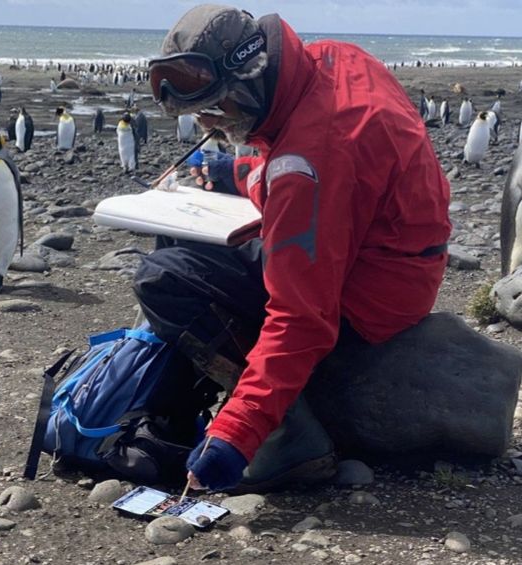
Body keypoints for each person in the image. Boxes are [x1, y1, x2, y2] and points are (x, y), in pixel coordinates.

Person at [135, 4, 451, 492]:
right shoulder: (334, 59)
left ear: (248, 82)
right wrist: (235, 173)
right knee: (183, 247)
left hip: (369, 297)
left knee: (164, 278)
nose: (208, 125)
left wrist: (237, 437)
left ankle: (289, 434)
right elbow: (327, 177)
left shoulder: (308, 165)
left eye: (215, 109)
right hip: (395, 260)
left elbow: (302, 316)